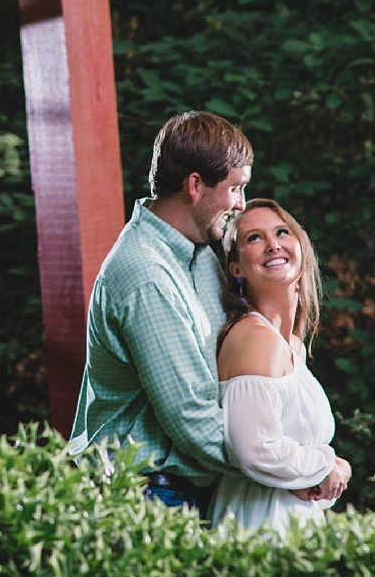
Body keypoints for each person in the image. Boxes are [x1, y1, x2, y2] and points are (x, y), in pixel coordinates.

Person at [66, 112, 253, 517]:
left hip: (184, 490)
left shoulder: (200, 250)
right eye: (235, 189)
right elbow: (193, 420)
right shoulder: (145, 274)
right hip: (147, 496)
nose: (240, 204)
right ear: (195, 185)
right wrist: (290, 466)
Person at [209, 198, 351, 534]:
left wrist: (322, 475)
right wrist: (325, 464)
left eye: (282, 232)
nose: (273, 245)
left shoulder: (292, 346)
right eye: (254, 238)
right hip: (259, 523)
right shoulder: (255, 339)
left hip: (293, 522)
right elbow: (255, 449)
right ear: (237, 268)